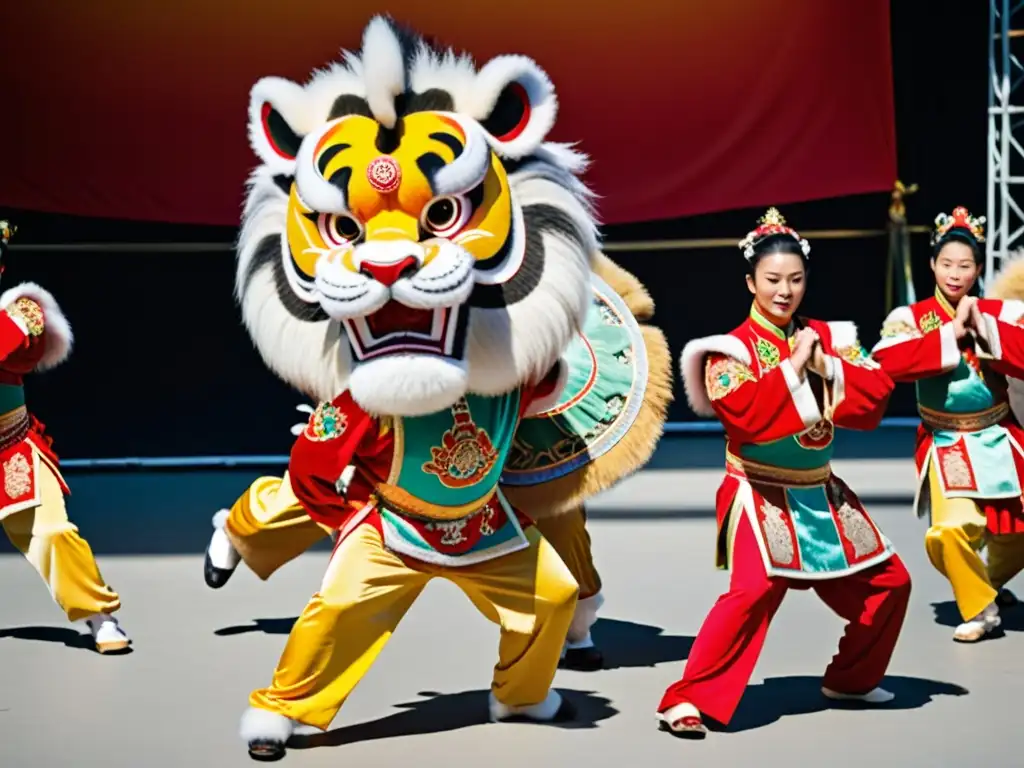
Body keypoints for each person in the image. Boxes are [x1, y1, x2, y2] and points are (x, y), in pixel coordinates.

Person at [231, 17, 623, 759]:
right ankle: (283, 708)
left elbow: (546, 384)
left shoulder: (511, 365)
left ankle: (522, 693)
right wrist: (351, 520)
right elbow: (312, 469)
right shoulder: (367, 391)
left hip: (482, 526)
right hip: (398, 530)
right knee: (339, 607)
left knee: (552, 594)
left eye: (439, 214)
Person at [204, 251, 673, 673]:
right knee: (361, 479)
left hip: (505, 370)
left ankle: (574, 619)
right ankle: (243, 531)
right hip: (423, 364)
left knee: (558, 494)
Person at [659, 208, 911, 737]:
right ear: (750, 282)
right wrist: (793, 367)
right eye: (773, 280)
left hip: (820, 492)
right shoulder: (728, 349)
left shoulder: (831, 337)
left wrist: (823, 365)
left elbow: (876, 394)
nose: (785, 291)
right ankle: (685, 699)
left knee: (890, 583)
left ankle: (851, 680)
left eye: (795, 280)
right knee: (751, 593)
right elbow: (745, 416)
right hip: (758, 491)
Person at [872, 206, 1024, 642]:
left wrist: (985, 329)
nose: (954, 274)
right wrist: (950, 335)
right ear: (932, 265)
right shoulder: (910, 318)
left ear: (978, 269)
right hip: (948, 442)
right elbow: (887, 362)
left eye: (964, 266)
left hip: (1000, 434)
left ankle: (986, 579)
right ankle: (981, 608)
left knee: (1018, 531)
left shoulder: (1002, 312)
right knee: (949, 531)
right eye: (946, 264)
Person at [0, 221, 130, 653]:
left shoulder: (22, 310)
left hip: (10, 451)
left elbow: (12, 348)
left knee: (53, 533)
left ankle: (98, 614)